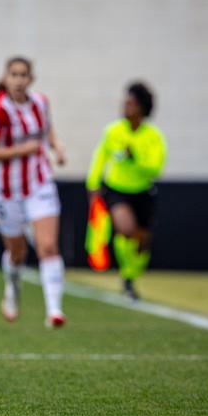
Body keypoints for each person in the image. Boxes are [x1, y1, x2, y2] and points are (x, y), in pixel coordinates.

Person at [0, 56, 68, 327]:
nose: (18, 80)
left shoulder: (41, 102)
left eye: (23, 75)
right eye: (14, 74)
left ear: (30, 79)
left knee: (48, 246)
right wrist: (23, 149)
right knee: (17, 253)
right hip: (8, 191)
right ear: (6, 78)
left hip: (40, 184)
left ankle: (54, 310)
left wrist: (57, 147)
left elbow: (47, 128)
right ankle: (13, 287)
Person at [86, 82, 166, 300]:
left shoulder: (153, 136)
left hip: (143, 192)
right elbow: (100, 157)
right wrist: (93, 184)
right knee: (125, 229)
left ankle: (131, 275)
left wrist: (135, 158)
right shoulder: (113, 131)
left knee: (141, 241)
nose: (125, 105)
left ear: (141, 107)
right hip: (116, 190)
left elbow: (156, 168)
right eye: (126, 101)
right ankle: (126, 275)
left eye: (131, 102)